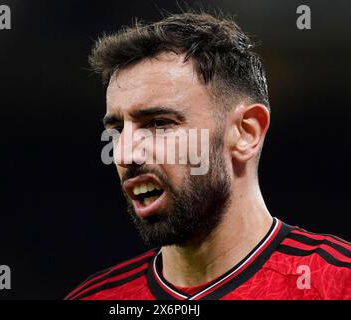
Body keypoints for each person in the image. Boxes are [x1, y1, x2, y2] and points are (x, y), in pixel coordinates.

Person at [65, 11, 351, 300]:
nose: (125, 153)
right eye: (116, 129)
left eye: (159, 123)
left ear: (245, 133)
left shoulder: (337, 285)